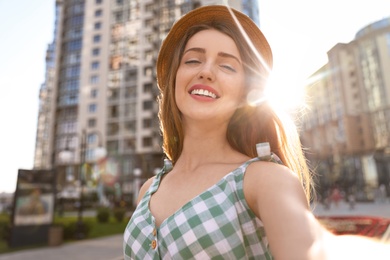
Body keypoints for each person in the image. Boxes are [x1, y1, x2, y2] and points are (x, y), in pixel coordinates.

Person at [123, 5, 390, 259]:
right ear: (174, 80)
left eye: (227, 66)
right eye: (193, 60)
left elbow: (315, 249)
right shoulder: (148, 190)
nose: (206, 71)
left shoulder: (264, 180)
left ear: (245, 94)